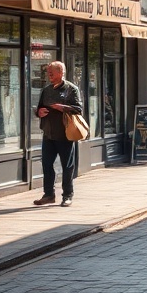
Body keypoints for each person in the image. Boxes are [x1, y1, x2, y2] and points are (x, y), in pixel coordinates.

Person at [34, 61, 84, 207]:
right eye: (48, 72)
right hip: (48, 134)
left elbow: (78, 109)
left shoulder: (71, 89)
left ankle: (67, 195)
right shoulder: (46, 90)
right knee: (46, 164)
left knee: (67, 166)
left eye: (52, 72)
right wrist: (39, 112)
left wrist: (62, 107)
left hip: (65, 134)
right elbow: (39, 108)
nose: (49, 74)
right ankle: (48, 194)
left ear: (61, 72)